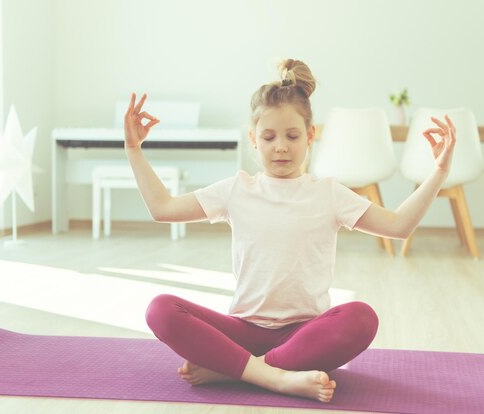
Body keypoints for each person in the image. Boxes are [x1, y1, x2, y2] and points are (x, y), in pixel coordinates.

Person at [125, 59, 456, 403]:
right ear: (253, 140)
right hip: (243, 331)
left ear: (311, 135)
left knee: (362, 318)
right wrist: (133, 150)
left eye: (292, 135)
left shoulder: (329, 193)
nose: (280, 146)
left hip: (306, 335)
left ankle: (235, 371)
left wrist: (440, 171)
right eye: (268, 137)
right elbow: (162, 208)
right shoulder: (237, 189)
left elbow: (398, 226)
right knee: (160, 309)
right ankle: (276, 378)